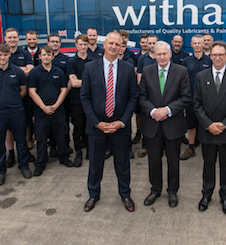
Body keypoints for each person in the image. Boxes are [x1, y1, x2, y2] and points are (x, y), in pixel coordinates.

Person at [80, 31, 138, 212]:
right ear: (104, 45)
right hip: (97, 127)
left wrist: (122, 122)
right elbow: (85, 97)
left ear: (122, 47)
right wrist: (97, 122)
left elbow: (133, 98)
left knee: (122, 163)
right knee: (95, 164)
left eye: (117, 44)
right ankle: (93, 194)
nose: (113, 47)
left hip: (120, 127)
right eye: (110, 43)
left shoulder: (128, 68)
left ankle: (125, 194)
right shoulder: (90, 68)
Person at [194, 41, 226, 216]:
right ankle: (206, 195)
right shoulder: (201, 76)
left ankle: (225, 197)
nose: (217, 58)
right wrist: (209, 124)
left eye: (221, 55)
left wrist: (224, 125)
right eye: (214, 54)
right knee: (208, 165)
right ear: (210, 56)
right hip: (208, 131)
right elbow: (197, 104)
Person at [138, 41, 191, 208]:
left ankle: (172, 191)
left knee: (173, 161)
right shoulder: (147, 71)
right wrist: (154, 111)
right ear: (154, 55)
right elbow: (142, 97)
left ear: (170, 55)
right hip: (152, 125)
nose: (161, 57)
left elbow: (185, 97)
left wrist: (167, 110)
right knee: (154, 160)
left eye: (164, 54)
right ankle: (155, 189)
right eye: (158, 54)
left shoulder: (181, 71)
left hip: (172, 124)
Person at [0, 42, 33, 185]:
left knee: (21, 141)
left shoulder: (18, 72)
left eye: (5, 55)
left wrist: (12, 102)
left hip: (16, 111)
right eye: (0, 55)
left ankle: (24, 166)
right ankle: (0, 171)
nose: (2, 57)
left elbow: (23, 90)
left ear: (9, 54)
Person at [28, 46, 72, 176]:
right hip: (41, 113)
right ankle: (40, 163)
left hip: (58, 111)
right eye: (44, 55)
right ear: (39, 56)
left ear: (53, 56)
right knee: (41, 139)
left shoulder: (59, 72)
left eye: (49, 54)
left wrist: (56, 105)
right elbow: (31, 91)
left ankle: (64, 157)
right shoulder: (34, 73)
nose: (46, 57)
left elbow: (64, 90)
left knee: (61, 136)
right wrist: (43, 107)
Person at [4, 28, 34, 166]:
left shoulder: (25, 53)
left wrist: (11, 69)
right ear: (5, 38)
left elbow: (30, 70)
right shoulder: (2, 54)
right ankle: (11, 152)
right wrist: (21, 70)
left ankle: (27, 150)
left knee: (26, 123)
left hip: (24, 95)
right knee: (9, 127)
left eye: (14, 37)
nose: (12, 40)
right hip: (7, 96)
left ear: (18, 38)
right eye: (9, 37)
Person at [179, 34, 211, 160]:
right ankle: (191, 147)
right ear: (191, 45)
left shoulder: (209, 60)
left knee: (206, 123)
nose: (197, 45)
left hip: (207, 100)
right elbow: (183, 80)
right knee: (191, 125)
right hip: (191, 99)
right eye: (195, 43)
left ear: (203, 44)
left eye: (199, 43)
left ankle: (208, 148)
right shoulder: (187, 61)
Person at [67, 34, 93, 167]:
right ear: (76, 45)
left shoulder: (93, 60)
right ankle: (78, 153)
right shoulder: (71, 62)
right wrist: (90, 82)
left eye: (85, 44)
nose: (83, 47)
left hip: (91, 100)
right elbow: (74, 83)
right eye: (80, 44)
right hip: (76, 100)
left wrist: (80, 81)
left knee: (90, 126)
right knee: (78, 127)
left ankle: (89, 151)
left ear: (88, 45)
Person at [47, 33, 72, 156]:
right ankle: (52, 145)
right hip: (47, 97)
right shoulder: (42, 58)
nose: (54, 44)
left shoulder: (66, 59)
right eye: (52, 41)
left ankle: (65, 144)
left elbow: (69, 79)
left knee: (64, 122)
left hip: (64, 97)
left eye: (57, 41)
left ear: (60, 44)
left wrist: (64, 93)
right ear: (48, 43)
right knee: (49, 123)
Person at [136, 34, 159, 158]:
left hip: (160, 96)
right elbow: (139, 78)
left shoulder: (161, 56)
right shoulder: (142, 59)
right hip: (147, 96)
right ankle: (145, 146)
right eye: (149, 43)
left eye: (154, 43)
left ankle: (163, 147)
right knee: (146, 122)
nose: (151, 45)